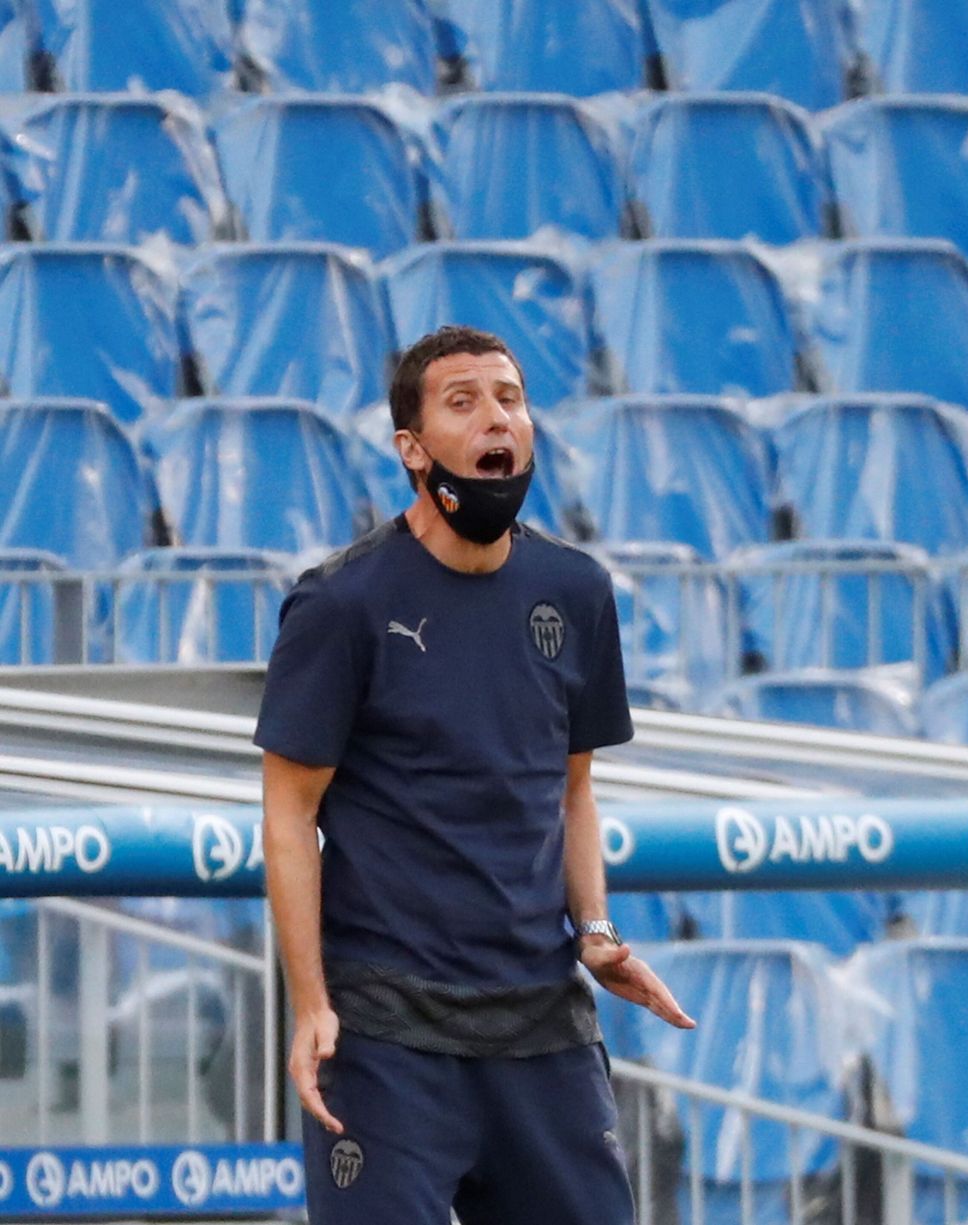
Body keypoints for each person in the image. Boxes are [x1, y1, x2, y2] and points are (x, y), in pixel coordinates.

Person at [257, 325, 693, 1222]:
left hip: (542, 1026)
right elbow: (288, 814)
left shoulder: (576, 592)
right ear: (411, 450)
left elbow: (571, 789)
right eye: (463, 401)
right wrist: (310, 1003)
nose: (496, 416)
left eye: (509, 396)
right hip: (385, 1036)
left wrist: (598, 928)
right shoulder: (340, 603)